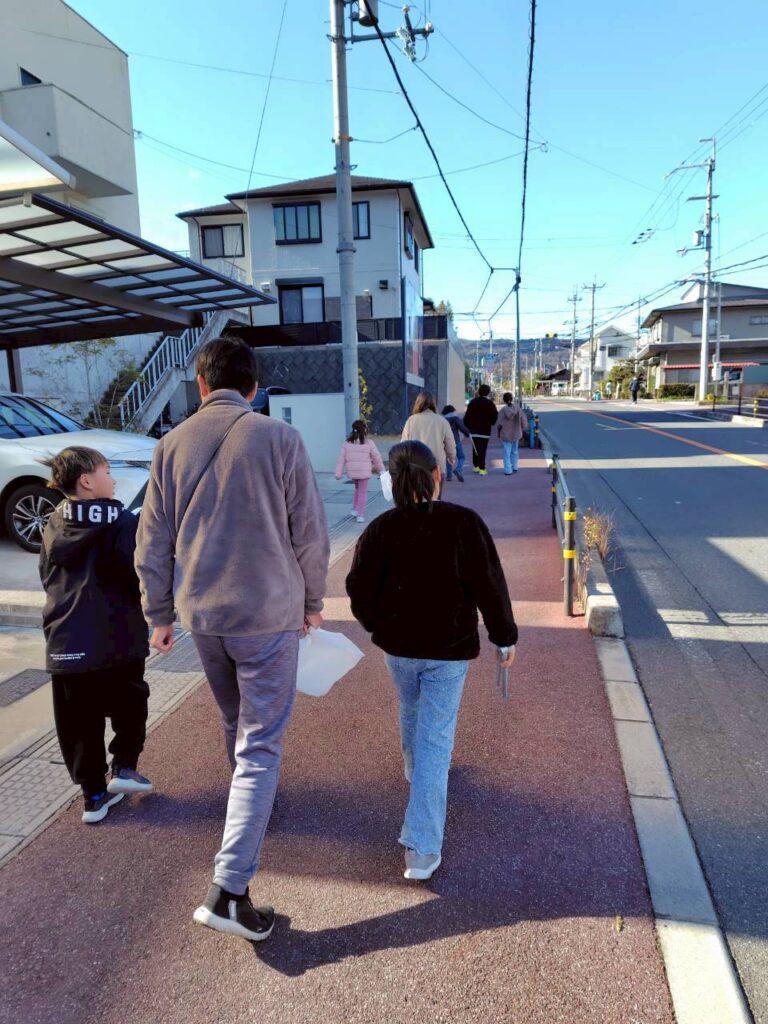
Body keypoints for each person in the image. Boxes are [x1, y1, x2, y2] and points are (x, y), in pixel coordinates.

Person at [135, 336, 329, 945]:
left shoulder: (169, 445)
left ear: (200, 385)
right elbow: (310, 533)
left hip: (204, 615)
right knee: (261, 743)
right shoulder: (280, 438)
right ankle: (229, 890)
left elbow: (151, 541)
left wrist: (158, 613)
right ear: (254, 387)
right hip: (268, 613)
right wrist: (313, 602)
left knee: (235, 723)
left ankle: (248, 804)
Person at [345, 440, 518, 881]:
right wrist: (504, 638)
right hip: (449, 650)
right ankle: (422, 845)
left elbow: (358, 589)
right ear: (437, 475)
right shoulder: (464, 523)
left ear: (393, 482)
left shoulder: (380, 529)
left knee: (411, 707)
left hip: (398, 648)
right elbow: (490, 585)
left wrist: (378, 625)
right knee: (436, 740)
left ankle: (412, 769)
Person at [39, 447, 152, 825]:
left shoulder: (54, 523)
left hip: (66, 640)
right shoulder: (122, 521)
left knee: (78, 722)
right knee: (130, 704)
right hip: (118, 636)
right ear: (86, 480)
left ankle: (94, 796)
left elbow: (47, 577)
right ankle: (124, 767)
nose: (113, 479)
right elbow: (137, 575)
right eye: (106, 471)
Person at [401, 391, 456, 491]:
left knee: (417, 497)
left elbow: (403, 446)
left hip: (416, 466)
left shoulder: (411, 421)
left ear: (418, 403)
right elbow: (450, 443)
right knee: (436, 497)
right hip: (436, 467)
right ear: (433, 404)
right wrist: (451, 457)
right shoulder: (442, 421)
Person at [335, 419, 385, 523]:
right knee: (362, 492)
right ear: (364, 430)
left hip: (353, 472)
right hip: (364, 472)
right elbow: (376, 458)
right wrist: (382, 470)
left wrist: (338, 474)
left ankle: (355, 509)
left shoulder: (347, 444)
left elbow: (341, 460)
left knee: (357, 490)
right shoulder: (369, 443)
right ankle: (360, 514)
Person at [463, 384, 498, 475]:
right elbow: (494, 416)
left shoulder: (472, 402)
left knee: (475, 449)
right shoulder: (490, 403)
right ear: (488, 392)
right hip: (485, 431)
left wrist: (468, 427)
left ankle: (476, 467)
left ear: (479, 392)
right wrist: (491, 422)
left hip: (473, 431)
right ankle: (482, 469)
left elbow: (467, 416)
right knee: (483, 449)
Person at [497, 393, 529, 476]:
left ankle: (508, 470)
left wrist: (498, 434)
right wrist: (522, 428)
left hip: (505, 434)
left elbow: (499, 424)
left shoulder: (503, 411)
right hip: (516, 433)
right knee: (514, 451)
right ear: (512, 399)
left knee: (506, 453)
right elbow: (524, 421)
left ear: (504, 400)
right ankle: (515, 467)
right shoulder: (518, 409)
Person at [441, 404, 471, 483]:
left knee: (449, 458)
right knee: (461, 457)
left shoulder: (442, 420)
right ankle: (458, 469)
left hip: (445, 442)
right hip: (456, 441)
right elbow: (462, 428)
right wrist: (467, 433)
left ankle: (449, 476)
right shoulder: (456, 419)